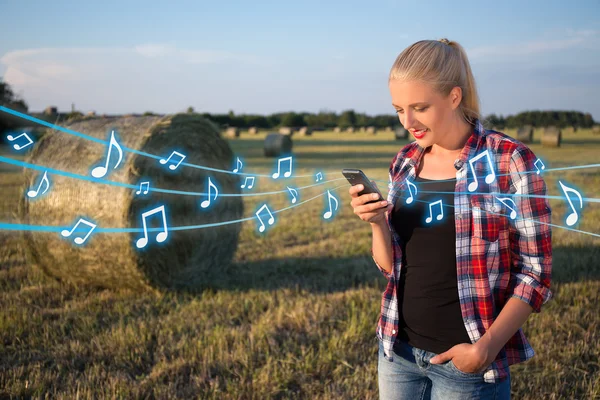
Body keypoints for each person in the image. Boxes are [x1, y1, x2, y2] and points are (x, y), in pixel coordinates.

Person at [349, 38, 553, 400]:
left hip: (468, 366)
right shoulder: (405, 162)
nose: (407, 122)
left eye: (420, 107)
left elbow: (535, 272)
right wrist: (377, 223)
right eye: (399, 109)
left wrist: (485, 349)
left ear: (455, 97)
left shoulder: (509, 161)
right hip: (398, 353)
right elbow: (390, 267)